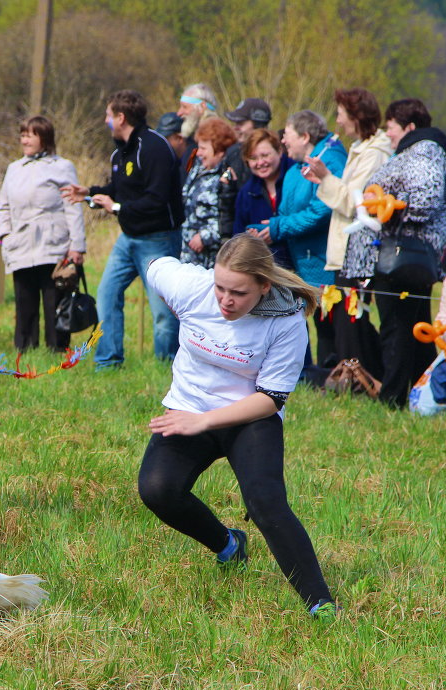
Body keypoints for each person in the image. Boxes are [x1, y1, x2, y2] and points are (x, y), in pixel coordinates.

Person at [138, 235, 337, 619]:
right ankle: (229, 545)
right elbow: (153, 266)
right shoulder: (192, 289)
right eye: (220, 288)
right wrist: (175, 306)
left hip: (250, 416)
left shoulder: (287, 320)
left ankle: (320, 603)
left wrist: (204, 421)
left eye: (239, 293)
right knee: (157, 490)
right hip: (189, 405)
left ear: (264, 287)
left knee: (265, 503)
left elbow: (270, 399)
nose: (225, 300)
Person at [61, 89, 183, 369]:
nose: (105, 121)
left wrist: (116, 208)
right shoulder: (119, 153)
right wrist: (90, 193)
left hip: (158, 240)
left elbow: (156, 199)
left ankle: (169, 367)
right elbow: (117, 191)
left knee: (163, 312)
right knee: (106, 295)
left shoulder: (154, 148)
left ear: (121, 117)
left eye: (107, 115)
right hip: (128, 238)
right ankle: (108, 362)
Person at [343, 98, 446, 407]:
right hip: (401, 253)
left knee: (397, 329)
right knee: (410, 329)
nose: (386, 133)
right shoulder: (416, 151)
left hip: (404, 256)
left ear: (409, 127)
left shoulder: (425, 152)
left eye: (390, 127)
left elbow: (427, 199)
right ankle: (423, 393)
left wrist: (388, 205)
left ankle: (393, 397)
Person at [305, 88, 392, 379]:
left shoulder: (374, 153)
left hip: (360, 251)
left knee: (355, 317)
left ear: (356, 116)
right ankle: (353, 375)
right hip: (348, 249)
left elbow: (358, 203)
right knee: (347, 317)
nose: (338, 122)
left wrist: (326, 177)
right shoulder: (360, 148)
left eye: (341, 114)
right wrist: (323, 178)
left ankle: (363, 376)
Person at [260, 110, 346, 369]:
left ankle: (338, 377)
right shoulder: (296, 167)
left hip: (323, 261)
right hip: (304, 260)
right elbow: (287, 211)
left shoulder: (330, 160)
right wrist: (272, 226)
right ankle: (317, 374)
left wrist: (278, 228)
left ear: (305, 136)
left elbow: (322, 211)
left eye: (287, 136)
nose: (283, 141)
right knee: (317, 322)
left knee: (332, 325)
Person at [0, 115, 86, 352]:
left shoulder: (62, 167)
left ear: (44, 139)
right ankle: (24, 350)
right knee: (24, 302)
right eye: (22, 134)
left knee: (54, 301)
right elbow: (3, 207)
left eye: (30, 134)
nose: (24, 139)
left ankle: (57, 351)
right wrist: (6, 236)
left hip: (53, 245)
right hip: (21, 245)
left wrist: (77, 245)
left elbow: (73, 206)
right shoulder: (13, 168)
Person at [180, 117, 236, 268]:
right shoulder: (197, 169)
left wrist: (205, 237)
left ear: (219, 150)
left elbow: (228, 215)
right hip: (189, 254)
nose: (198, 153)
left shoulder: (227, 176)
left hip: (212, 258)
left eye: (204, 148)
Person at [234, 128, 293, 269]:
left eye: (265, 155)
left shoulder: (296, 177)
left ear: (279, 152)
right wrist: (250, 238)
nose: (260, 163)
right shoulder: (246, 192)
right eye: (253, 158)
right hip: (266, 267)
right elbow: (238, 233)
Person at [218, 98, 272, 244]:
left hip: (271, 236)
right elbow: (225, 203)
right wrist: (226, 236)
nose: (235, 128)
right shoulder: (233, 154)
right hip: (239, 235)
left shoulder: (279, 155)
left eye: (241, 123)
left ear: (258, 124)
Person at [176, 82, 219, 167]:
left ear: (202, 107)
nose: (179, 113)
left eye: (185, 107)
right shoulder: (191, 141)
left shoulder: (216, 140)